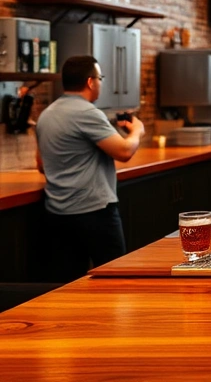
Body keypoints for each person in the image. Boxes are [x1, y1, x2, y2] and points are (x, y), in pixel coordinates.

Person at [35, 55, 145, 282]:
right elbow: (124, 152)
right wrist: (137, 131)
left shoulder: (46, 115)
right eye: (100, 78)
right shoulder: (88, 113)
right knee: (115, 280)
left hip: (58, 214)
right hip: (94, 213)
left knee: (67, 286)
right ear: (90, 82)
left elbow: (41, 165)